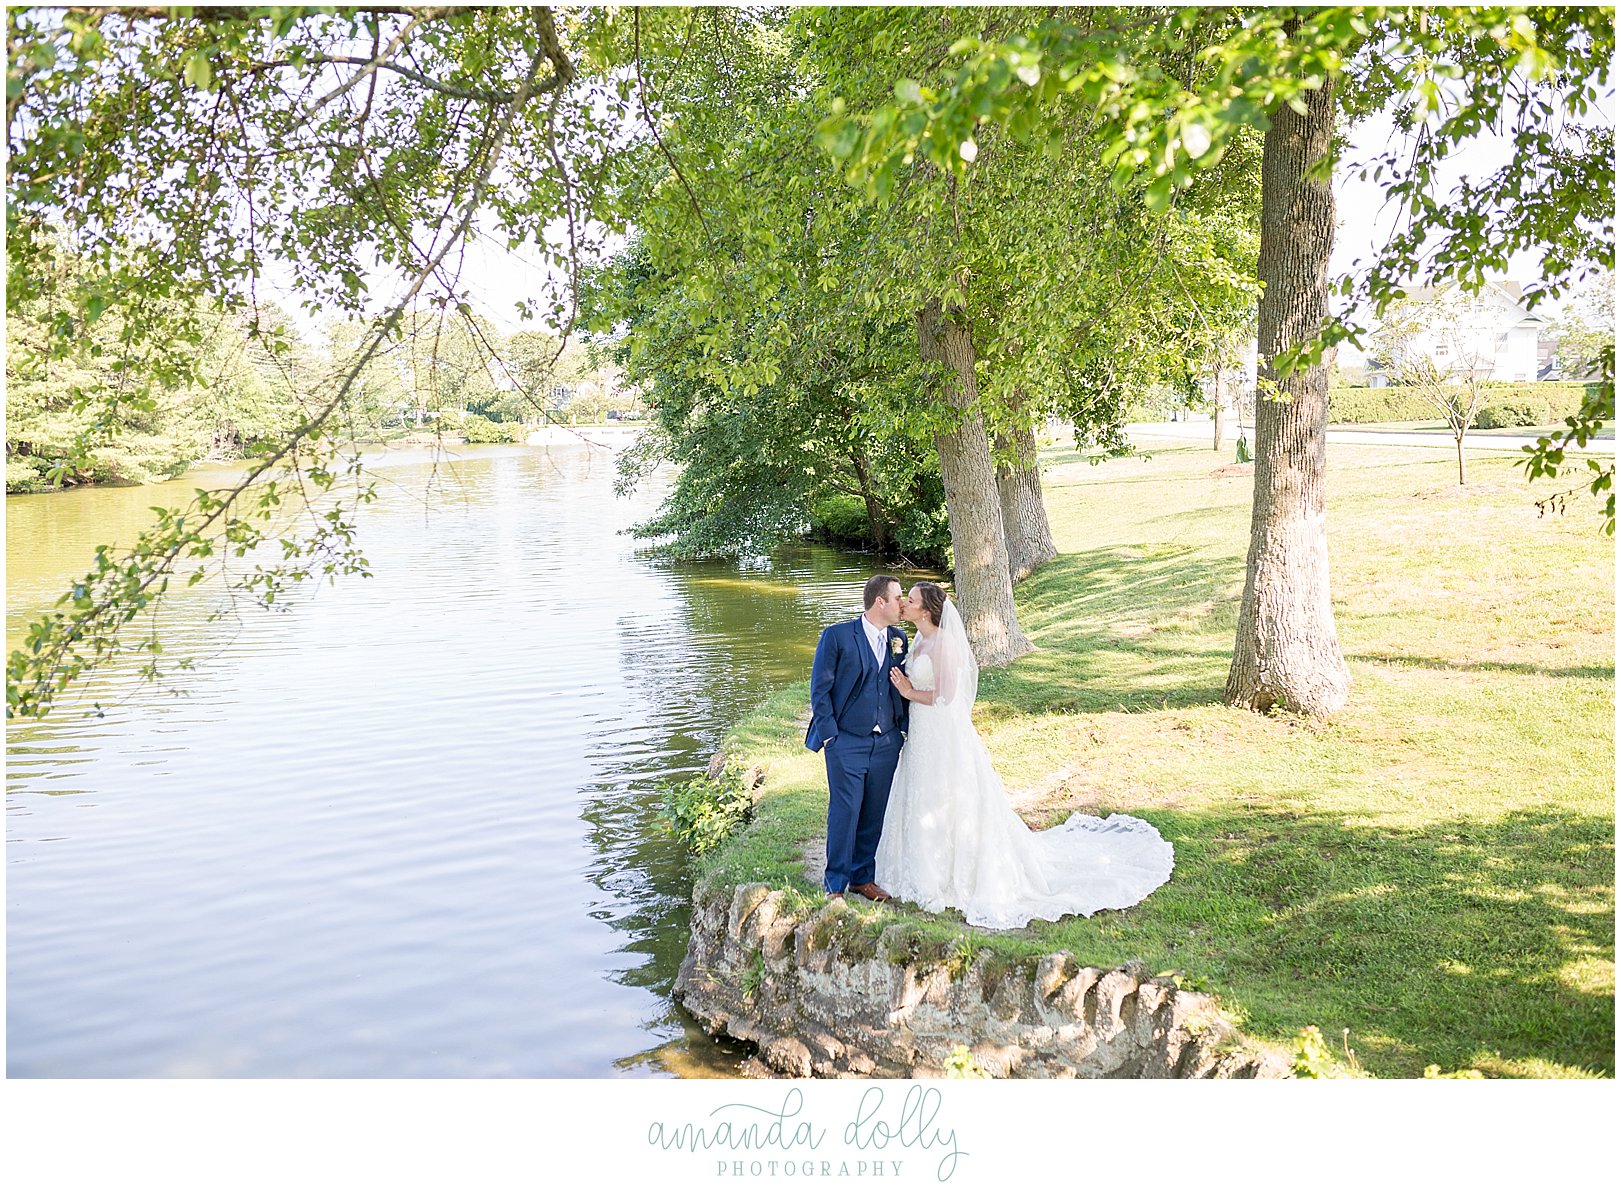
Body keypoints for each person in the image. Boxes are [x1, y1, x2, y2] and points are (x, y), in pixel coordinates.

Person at [876, 582, 1174, 930]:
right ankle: (922, 869)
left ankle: (953, 874)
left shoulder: (944, 644)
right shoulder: (917, 640)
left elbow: (946, 696)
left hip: (942, 733)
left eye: (909, 601)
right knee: (922, 795)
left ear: (926, 611)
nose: (904, 605)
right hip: (922, 733)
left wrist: (909, 691)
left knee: (949, 793)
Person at [806, 574, 910, 902]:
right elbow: (820, 691)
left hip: (887, 742)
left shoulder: (899, 639)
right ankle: (835, 884)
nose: (902, 603)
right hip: (846, 742)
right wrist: (831, 738)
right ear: (880, 602)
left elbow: (899, 686)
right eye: (897, 598)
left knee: (874, 811)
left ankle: (862, 877)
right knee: (845, 811)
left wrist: (901, 730)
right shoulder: (837, 636)